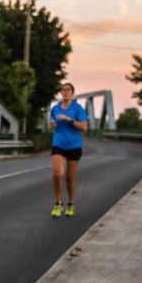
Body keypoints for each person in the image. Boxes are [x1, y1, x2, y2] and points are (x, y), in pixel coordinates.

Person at [47, 82, 88, 217]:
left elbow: (84, 127)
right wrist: (52, 124)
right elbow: (51, 123)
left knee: (69, 178)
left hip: (74, 145)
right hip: (58, 143)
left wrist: (70, 120)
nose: (65, 92)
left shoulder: (78, 108)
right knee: (57, 173)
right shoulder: (55, 108)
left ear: (72, 93)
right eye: (63, 90)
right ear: (61, 92)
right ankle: (58, 203)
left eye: (68, 90)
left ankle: (70, 203)